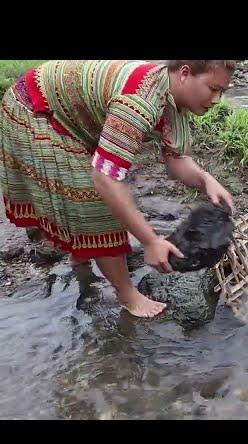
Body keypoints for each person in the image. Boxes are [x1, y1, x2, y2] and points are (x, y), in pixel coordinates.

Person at [0, 60, 235, 317]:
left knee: (95, 195)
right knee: (96, 208)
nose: (216, 99)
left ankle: (82, 254)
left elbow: (175, 158)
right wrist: (151, 241)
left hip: (71, 114)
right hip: (37, 110)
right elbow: (105, 180)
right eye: (213, 88)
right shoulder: (138, 104)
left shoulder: (170, 98)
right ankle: (127, 294)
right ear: (184, 74)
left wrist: (205, 180)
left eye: (222, 91)